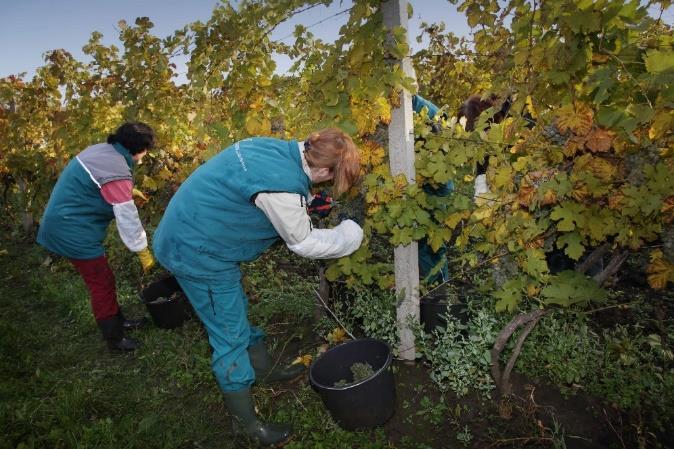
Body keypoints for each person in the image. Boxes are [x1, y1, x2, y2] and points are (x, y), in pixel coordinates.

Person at [152, 129, 363, 446]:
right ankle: (248, 427)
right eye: (328, 179)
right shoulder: (282, 188)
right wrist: (351, 233)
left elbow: (254, 194)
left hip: (194, 229)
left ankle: (263, 371)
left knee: (231, 311)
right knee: (229, 335)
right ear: (322, 169)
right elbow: (303, 242)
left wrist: (304, 203)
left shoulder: (271, 148)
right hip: (196, 251)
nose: (325, 184)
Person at [37, 122, 157, 352]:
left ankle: (119, 321)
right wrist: (142, 250)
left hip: (65, 221)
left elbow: (94, 184)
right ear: (137, 149)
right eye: (145, 151)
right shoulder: (117, 171)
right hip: (70, 230)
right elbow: (127, 217)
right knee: (101, 282)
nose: (144, 156)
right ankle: (115, 339)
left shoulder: (101, 151)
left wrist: (126, 191)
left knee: (104, 279)